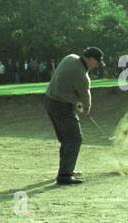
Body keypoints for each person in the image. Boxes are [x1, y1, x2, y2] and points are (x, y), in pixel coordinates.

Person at [44, 47, 103, 186]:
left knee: (66, 139)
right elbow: (85, 96)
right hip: (62, 106)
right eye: (97, 61)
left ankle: (66, 169)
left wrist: (77, 103)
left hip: (50, 100)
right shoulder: (82, 75)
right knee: (74, 139)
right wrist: (86, 109)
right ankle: (64, 176)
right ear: (89, 58)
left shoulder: (70, 57)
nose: (97, 64)